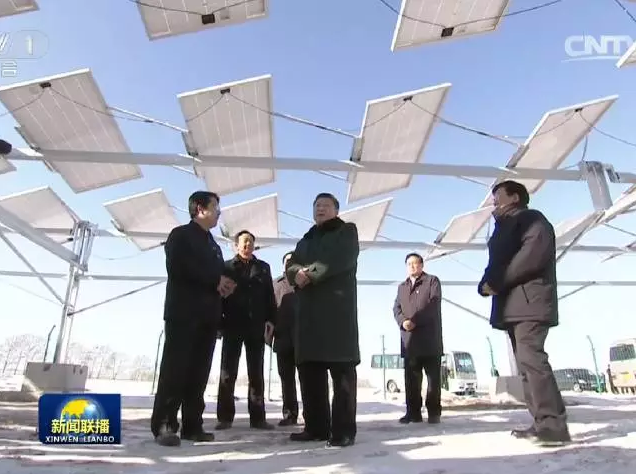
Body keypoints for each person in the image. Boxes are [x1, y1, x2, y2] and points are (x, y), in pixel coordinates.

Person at [478, 180, 570, 445]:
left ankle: (554, 425)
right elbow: (496, 263)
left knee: (532, 360)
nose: (493, 201)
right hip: (514, 305)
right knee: (526, 366)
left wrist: (497, 281)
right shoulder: (502, 228)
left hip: (531, 302)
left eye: (498, 196)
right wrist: (485, 283)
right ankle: (541, 422)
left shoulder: (532, 220)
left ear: (515, 197)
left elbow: (531, 256)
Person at [151, 191, 236, 447]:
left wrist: (225, 287)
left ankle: (192, 425)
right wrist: (215, 280)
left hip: (208, 317)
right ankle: (165, 424)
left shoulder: (214, 245)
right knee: (176, 369)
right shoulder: (180, 236)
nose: (219, 212)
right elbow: (179, 266)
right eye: (215, 207)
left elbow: (217, 277)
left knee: (199, 373)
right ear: (200, 208)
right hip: (183, 313)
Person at [286, 192, 360, 448]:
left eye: (326, 205)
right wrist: (297, 274)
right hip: (308, 315)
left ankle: (343, 431)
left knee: (342, 375)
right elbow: (291, 265)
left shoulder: (346, 231)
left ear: (336, 210)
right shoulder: (305, 240)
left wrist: (311, 274)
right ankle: (316, 427)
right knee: (310, 374)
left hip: (337, 314)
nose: (320, 208)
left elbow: (341, 257)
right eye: (317, 205)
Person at [216, 230, 276, 431]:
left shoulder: (263, 268)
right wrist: (219, 323)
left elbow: (270, 297)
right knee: (227, 372)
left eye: (251, 242)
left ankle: (258, 418)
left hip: (256, 325)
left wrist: (271, 321)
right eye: (244, 242)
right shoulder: (225, 267)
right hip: (232, 324)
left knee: (256, 373)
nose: (248, 245)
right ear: (236, 245)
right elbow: (219, 298)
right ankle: (224, 418)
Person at [393, 253, 443, 425]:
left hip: (430, 340)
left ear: (422, 265)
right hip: (410, 342)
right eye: (409, 264)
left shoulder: (432, 281)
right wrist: (403, 321)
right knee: (411, 381)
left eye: (415, 263)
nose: (412, 266)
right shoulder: (402, 287)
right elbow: (396, 308)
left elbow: (433, 305)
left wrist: (415, 321)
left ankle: (434, 413)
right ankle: (413, 413)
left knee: (433, 380)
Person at [272, 251, 300, 426]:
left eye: (293, 261)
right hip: (282, 338)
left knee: (307, 377)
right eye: (287, 261)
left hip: (302, 338)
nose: (289, 264)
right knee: (286, 378)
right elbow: (269, 307)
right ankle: (289, 414)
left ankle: (313, 413)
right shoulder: (275, 284)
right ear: (283, 265)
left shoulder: (304, 283)